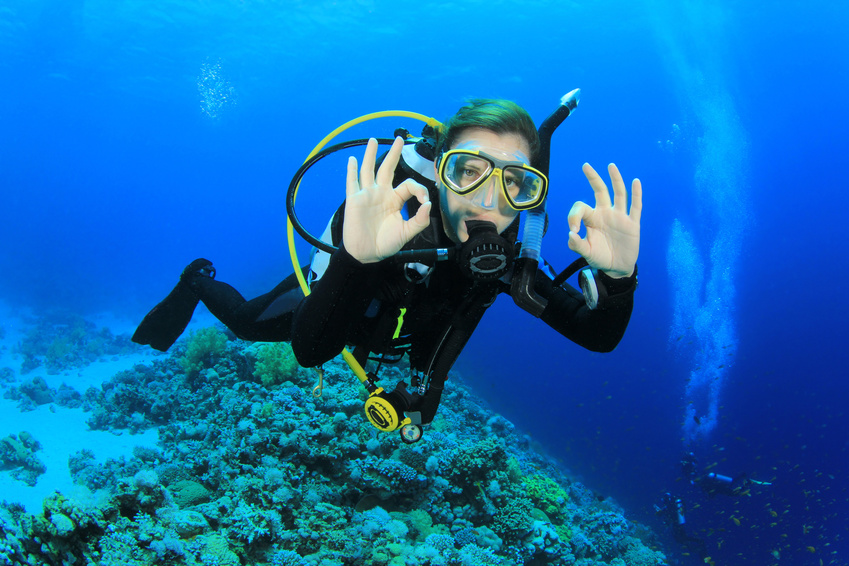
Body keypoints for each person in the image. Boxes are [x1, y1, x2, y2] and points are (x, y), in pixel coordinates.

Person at [133, 98, 641, 437]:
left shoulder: (512, 260)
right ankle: (196, 279)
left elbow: (597, 334)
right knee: (246, 324)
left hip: (399, 335)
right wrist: (358, 260)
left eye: (515, 183)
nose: (489, 201)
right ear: (439, 175)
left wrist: (619, 281)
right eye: (467, 171)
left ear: (530, 194)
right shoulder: (395, 222)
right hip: (338, 294)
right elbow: (311, 350)